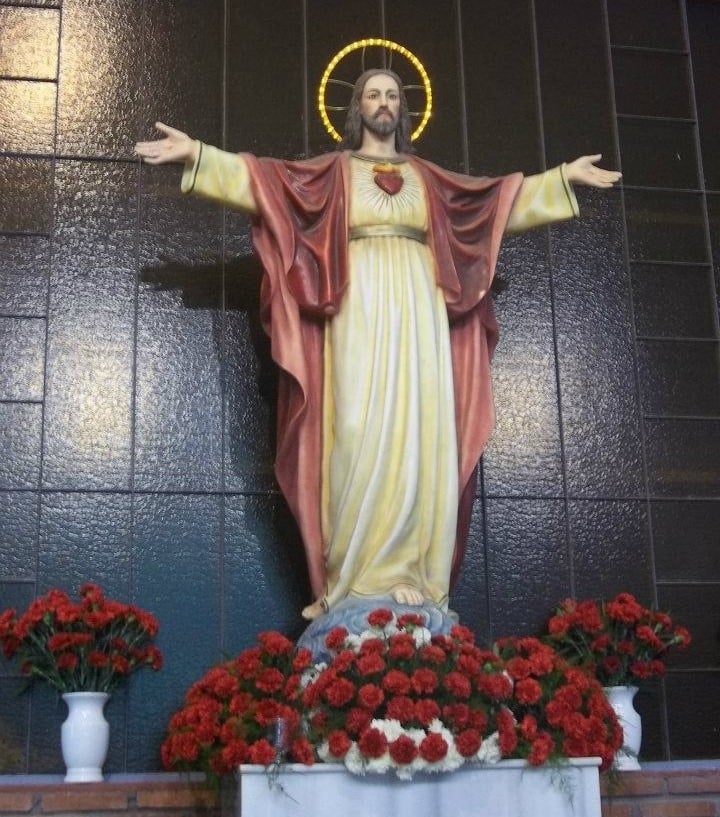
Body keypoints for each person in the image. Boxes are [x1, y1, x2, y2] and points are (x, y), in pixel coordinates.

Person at [135, 69, 621, 621]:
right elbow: (264, 183)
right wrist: (198, 154)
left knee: (417, 434)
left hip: (419, 312)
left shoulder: (428, 180)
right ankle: (352, 578)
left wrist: (562, 178)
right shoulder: (333, 173)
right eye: (373, 94)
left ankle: (408, 572)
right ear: (357, 108)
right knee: (354, 427)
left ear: (403, 109)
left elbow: (494, 205)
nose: (384, 102)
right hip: (357, 306)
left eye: (392, 94)